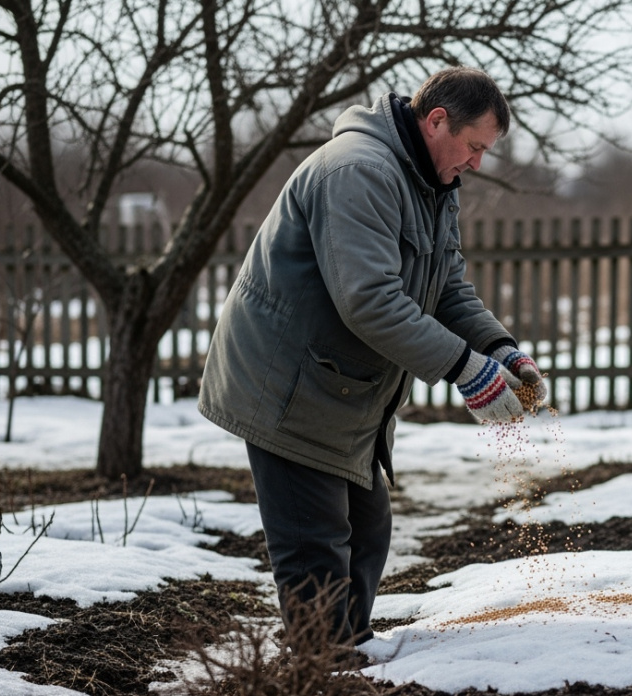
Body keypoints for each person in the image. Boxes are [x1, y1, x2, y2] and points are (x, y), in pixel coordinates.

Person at [197, 66, 547, 649]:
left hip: (342, 388)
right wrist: (468, 370)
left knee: (367, 529)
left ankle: (345, 649)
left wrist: (500, 350)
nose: (478, 163)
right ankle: (321, 665)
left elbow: (448, 291)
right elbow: (370, 301)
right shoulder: (359, 170)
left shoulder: (433, 186)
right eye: (475, 146)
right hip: (289, 387)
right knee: (316, 542)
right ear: (437, 121)